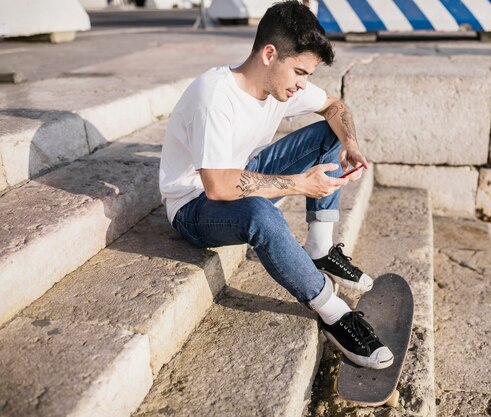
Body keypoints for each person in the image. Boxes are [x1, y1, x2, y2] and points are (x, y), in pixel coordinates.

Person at [159, 0, 392, 369]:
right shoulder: (215, 96)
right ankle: (334, 313)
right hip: (194, 205)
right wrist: (299, 184)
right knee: (261, 215)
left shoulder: (285, 87)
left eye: (308, 76)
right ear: (270, 54)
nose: (303, 84)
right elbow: (218, 187)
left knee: (327, 134)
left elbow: (335, 107)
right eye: (299, 71)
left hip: (243, 169)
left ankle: (319, 248)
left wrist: (350, 144)